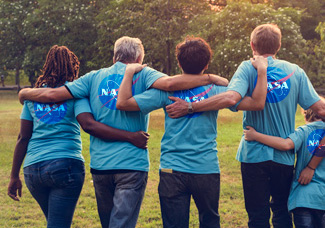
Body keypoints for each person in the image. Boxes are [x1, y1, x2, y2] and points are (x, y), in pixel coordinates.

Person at [17, 36, 229, 228]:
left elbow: (55, 95)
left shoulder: (92, 78)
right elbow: (171, 83)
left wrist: (26, 92)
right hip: (132, 163)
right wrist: (209, 78)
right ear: (139, 58)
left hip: (100, 165)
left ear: (114, 56)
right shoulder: (144, 73)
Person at [165, 24, 325, 228]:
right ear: (279, 45)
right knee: (282, 214)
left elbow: (231, 98)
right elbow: (320, 108)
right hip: (283, 157)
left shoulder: (247, 67)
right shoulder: (295, 72)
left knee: (257, 216)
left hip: (253, 155)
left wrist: (191, 107)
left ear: (252, 45)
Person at [116, 37, 268, 228]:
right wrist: (262, 72)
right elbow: (256, 103)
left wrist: (128, 74)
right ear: (206, 64)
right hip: (206, 168)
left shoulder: (165, 91)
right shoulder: (218, 89)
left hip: (172, 169)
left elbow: (123, 103)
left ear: (179, 63)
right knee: (210, 222)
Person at [8, 45, 149, 228]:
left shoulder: (33, 97)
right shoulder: (76, 94)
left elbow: (23, 137)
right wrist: (130, 136)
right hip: (65, 166)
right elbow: (88, 124)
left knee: (55, 221)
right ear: (72, 67)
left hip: (33, 170)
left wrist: (14, 176)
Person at [244, 105, 325, 228]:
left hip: (303, 197)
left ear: (306, 114)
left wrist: (255, 136)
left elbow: (286, 145)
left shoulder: (303, 131)